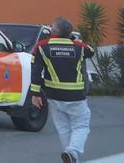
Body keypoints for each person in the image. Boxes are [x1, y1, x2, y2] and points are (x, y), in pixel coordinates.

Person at [30, 16, 94, 163]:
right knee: (81, 126)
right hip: (76, 95)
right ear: (69, 32)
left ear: (52, 31)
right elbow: (91, 51)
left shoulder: (42, 46)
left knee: (63, 128)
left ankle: (70, 157)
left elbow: (36, 72)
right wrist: (73, 40)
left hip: (54, 95)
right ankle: (72, 152)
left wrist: (35, 94)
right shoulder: (79, 47)